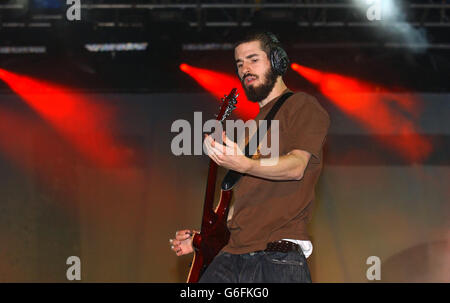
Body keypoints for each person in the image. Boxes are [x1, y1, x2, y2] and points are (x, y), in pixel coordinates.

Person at [170, 31, 330, 283]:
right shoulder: (249, 130)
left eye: (253, 59)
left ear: (278, 61)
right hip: (232, 254)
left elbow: (297, 166)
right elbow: (238, 206)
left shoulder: (303, 106)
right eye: (239, 64)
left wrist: (245, 163)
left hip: (277, 256)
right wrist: (203, 238)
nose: (245, 69)